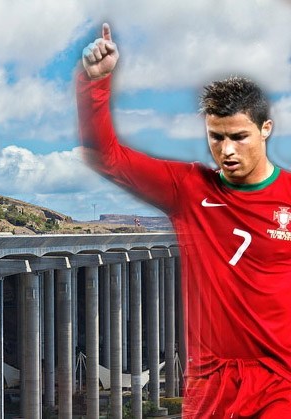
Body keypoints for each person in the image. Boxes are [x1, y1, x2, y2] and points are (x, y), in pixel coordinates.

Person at [78, 23, 291, 417]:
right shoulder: (188, 187)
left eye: (238, 136)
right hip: (210, 383)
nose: (225, 150)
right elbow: (108, 158)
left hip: (280, 380)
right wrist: (96, 83)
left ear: (266, 129)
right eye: (215, 136)